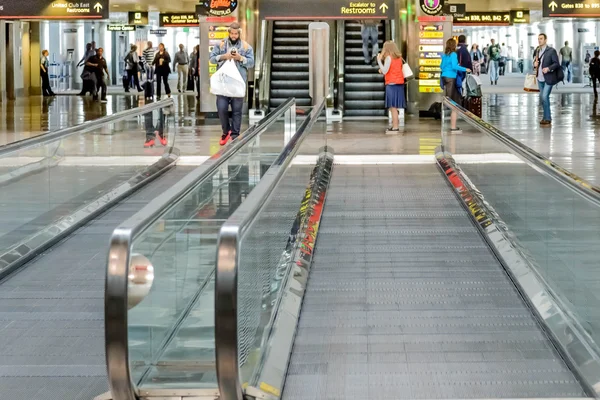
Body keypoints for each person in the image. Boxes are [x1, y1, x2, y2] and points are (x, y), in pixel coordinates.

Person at [210, 22, 255, 146]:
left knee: (237, 110)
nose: (234, 36)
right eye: (232, 33)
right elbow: (212, 58)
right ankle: (226, 131)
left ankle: (235, 134)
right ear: (229, 33)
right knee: (221, 108)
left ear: (239, 33)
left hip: (238, 83)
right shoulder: (220, 44)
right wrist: (224, 56)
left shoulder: (246, 47)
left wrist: (241, 58)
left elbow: (251, 63)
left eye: (236, 33)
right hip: (223, 83)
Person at [441, 38, 470, 133]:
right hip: (451, 78)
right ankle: (453, 127)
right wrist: (465, 69)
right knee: (455, 104)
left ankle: (451, 125)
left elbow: (441, 67)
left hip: (444, 78)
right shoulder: (453, 54)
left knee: (450, 101)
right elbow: (454, 66)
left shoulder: (445, 55)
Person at [377, 41, 406, 133]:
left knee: (392, 107)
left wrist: (378, 60)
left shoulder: (389, 58)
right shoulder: (399, 58)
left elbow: (385, 71)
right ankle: (395, 122)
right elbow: (394, 69)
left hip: (391, 84)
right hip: (399, 84)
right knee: (394, 107)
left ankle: (395, 127)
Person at [534, 33, 561, 126]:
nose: (539, 40)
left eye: (541, 38)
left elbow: (556, 63)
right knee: (543, 98)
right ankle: (545, 117)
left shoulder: (551, 51)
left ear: (545, 40)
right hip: (540, 78)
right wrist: (535, 64)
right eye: (538, 39)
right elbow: (535, 62)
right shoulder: (537, 50)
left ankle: (548, 118)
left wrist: (548, 68)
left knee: (545, 97)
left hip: (549, 78)